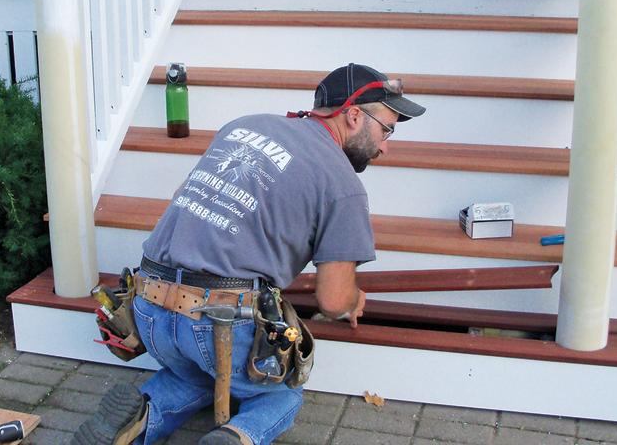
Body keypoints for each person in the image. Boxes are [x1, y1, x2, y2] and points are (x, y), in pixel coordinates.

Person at [72, 63, 425, 445]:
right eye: (387, 129)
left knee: (197, 375)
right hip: (217, 320)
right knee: (281, 395)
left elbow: (193, 205)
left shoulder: (245, 125)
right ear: (354, 115)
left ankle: (140, 417)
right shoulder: (343, 184)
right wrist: (355, 298)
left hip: (147, 310)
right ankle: (236, 436)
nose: (386, 145)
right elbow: (333, 299)